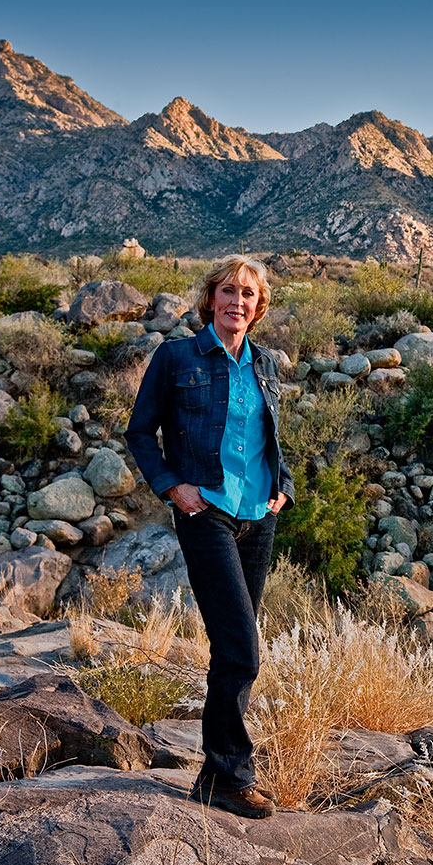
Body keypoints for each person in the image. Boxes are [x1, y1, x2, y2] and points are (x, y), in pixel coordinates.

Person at [125, 254, 295, 819]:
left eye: (248, 293)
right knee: (244, 648)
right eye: (228, 290)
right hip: (207, 513)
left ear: (259, 305)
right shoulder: (177, 356)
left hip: (258, 515)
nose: (237, 301)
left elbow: (270, 435)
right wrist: (172, 487)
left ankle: (215, 773)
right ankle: (229, 774)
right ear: (210, 298)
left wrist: (283, 488)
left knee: (231, 648)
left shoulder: (265, 361)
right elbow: (140, 432)